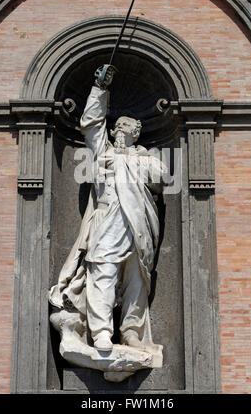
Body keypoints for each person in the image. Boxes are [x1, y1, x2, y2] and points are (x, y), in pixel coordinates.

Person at [49, 66, 167, 352]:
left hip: (139, 223)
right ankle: (101, 330)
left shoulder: (147, 158)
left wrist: (132, 161)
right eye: (125, 126)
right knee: (103, 271)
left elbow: (161, 179)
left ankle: (131, 332)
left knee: (137, 278)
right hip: (108, 220)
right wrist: (100, 89)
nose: (130, 131)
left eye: (134, 129)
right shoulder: (104, 154)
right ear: (115, 130)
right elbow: (91, 123)